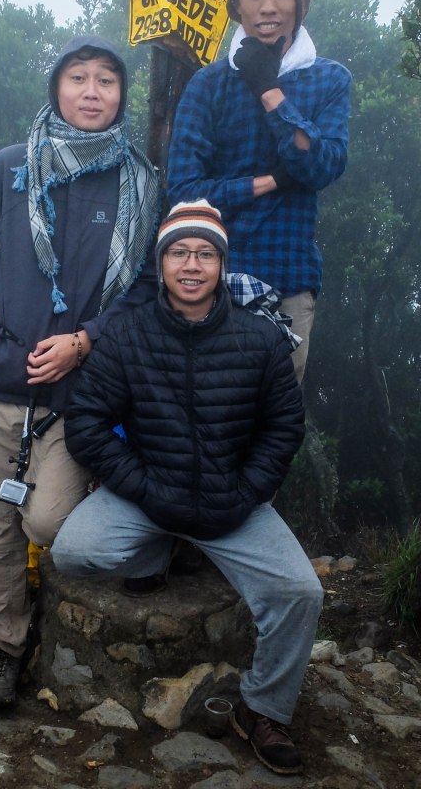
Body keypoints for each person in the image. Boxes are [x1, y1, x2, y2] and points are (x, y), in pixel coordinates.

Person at [51, 199, 323, 775]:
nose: (192, 264)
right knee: (74, 552)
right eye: (179, 252)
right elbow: (87, 422)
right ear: (163, 263)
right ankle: (160, 545)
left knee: (301, 592)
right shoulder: (127, 334)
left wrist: (248, 491)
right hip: (150, 494)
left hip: (233, 501)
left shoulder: (261, 338)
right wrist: (142, 486)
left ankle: (263, 710)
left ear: (222, 264)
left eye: (205, 253)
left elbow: (284, 426)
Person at [0, 35, 162, 708]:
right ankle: (2, 652)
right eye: (78, 78)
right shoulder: (10, 168)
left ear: (122, 94)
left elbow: (145, 288)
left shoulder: (138, 181)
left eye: (106, 80)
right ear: (57, 89)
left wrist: (86, 341)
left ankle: (87, 574)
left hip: (78, 397)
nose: (93, 91)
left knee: (46, 524)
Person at [166, 0, 351, 383]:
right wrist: (270, 181)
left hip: (289, 280)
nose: (268, 6)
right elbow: (184, 193)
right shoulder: (208, 84)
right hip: (209, 284)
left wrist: (268, 88)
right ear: (238, 3)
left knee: (274, 429)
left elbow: (322, 165)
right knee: (203, 425)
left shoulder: (329, 80)